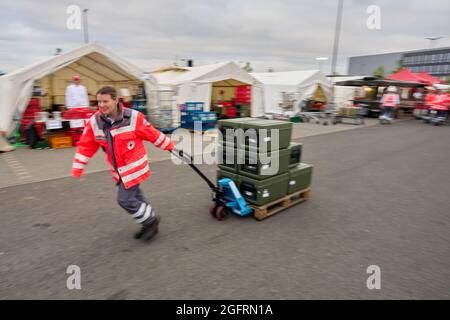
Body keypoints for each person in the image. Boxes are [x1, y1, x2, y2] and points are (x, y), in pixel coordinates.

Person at [71, 86, 174, 241]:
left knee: (125, 199)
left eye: (105, 101)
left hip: (133, 166)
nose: (102, 105)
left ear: (116, 100)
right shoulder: (95, 122)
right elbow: (86, 144)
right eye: (99, 102)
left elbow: (152, 134)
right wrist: (78, 165)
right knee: (136, 196)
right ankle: (149, 220)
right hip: (117, 169)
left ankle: (150, 222)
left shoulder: (133, 117)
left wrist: (171, 147)